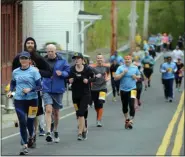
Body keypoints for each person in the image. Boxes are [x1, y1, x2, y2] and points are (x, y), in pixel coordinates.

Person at [12, 37, 52, 147]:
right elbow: (13, 73)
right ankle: (25, 137)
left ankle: (32, 137)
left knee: (33, 116)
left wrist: (39, 71)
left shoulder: (39, 58)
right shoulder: (18, 58)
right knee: (22, 116)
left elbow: (49, 72)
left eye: (32, 43)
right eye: (28, 43)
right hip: (20, 93)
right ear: (25, 45)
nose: (30, 45)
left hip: (35, 93)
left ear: (34, 45)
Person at [7, 51, 42, 155]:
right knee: (22, 121)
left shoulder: (34, 72)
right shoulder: (16, 72)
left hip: (32, 100)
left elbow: (40, 87)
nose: (24, 60)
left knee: (30, 122)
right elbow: (13, 83)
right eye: (22, 58)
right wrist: (11, 91)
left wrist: (30, 89)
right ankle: (24, 145)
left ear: (29, 61)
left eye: (26, 58)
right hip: (19, 100)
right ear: (19, 60)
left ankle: (31, 136)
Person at [42, 44, 70, 143]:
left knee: (56, 113)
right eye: (48, 51)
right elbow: (39, 72)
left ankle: (56, 130)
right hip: (46, 88)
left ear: (55, 51)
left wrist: (62, 73)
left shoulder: (62, 61)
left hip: (58, 89)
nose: (50, 53)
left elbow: (68, 72)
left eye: (52, 51)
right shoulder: (43, 61)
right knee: (48, 109)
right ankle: (48, 132)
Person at [69, 52, 96, 140]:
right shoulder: (72, 69)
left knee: (81, 113)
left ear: (82, 60)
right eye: (75, 59)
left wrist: (88, 81)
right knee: (78, 114)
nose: (76, 60)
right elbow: (67, 79)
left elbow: (94, 78)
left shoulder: (87, 69)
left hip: (85, 94)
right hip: (75, 95)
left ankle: (79, 133)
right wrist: (69, 80)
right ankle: (84, 129)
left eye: (78, 58)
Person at [114, 55, 140, 129]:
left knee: (132, 105)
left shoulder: (135, 68)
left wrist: (136, 77)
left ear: (131, 60)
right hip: (123, 90)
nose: (127, 61)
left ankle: (131, 120)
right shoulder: (120, 68)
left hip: (133, 89)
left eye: (129, 60)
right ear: (124, 61)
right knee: (124, 106)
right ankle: (126, 119)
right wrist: (123, 73)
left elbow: (139, 76)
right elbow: (115, 78)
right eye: (126, 60)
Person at [90, 53, 110, 127]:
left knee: (100, 103)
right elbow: (89, 76)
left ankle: (99, 120)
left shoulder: (106, 67)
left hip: (103, 88)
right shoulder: (92, 67)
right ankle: (99, 116)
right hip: (94, 88)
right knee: (96, 105)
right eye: (98, 58)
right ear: (96, 59)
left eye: (101, 58)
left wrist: (108, 78)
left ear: (103, 59)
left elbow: (108, 74)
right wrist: (94, 76)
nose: (99, 59)